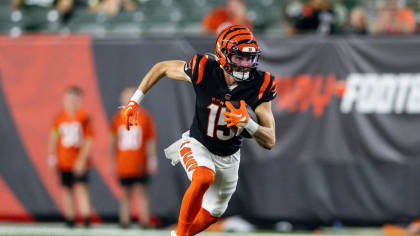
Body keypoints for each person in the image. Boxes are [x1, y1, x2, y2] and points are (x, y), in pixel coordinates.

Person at [120, 25, 277, 236]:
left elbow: (270, 140)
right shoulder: (204, 69)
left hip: (230, 156)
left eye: (249, 59)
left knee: (213, 213)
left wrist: (248, 123)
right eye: (239, 58)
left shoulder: (260, 83)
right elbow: (162, 68)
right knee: (203, 177)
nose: (245, 65)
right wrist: (134, 101)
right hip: (198, 143)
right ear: (223, 55)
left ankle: (177, 235)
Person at [109, 86, 158, 228]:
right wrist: (111, 162)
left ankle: (145, 220)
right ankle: (124, 220)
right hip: (124, 162)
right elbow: (112, 142)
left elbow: (150, 140)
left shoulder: (145, 116)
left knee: (143, 191)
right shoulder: (117, 118)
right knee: (125, 192)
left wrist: (152, 159)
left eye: (132, 96)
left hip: (140, 161)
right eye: (127, 96)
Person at [47, 86, 93, 227]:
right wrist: (52, 155)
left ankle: (86, 218)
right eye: (68, 98)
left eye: (74, 98)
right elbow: (54, 138)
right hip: (64, 160)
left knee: (81, 188)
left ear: (79, 100)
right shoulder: (59, 118)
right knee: (67, 189)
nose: (71, 101)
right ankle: (70, 218)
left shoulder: (83, 117)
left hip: (78, 160)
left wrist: (81, 159)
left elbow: (88, 140)